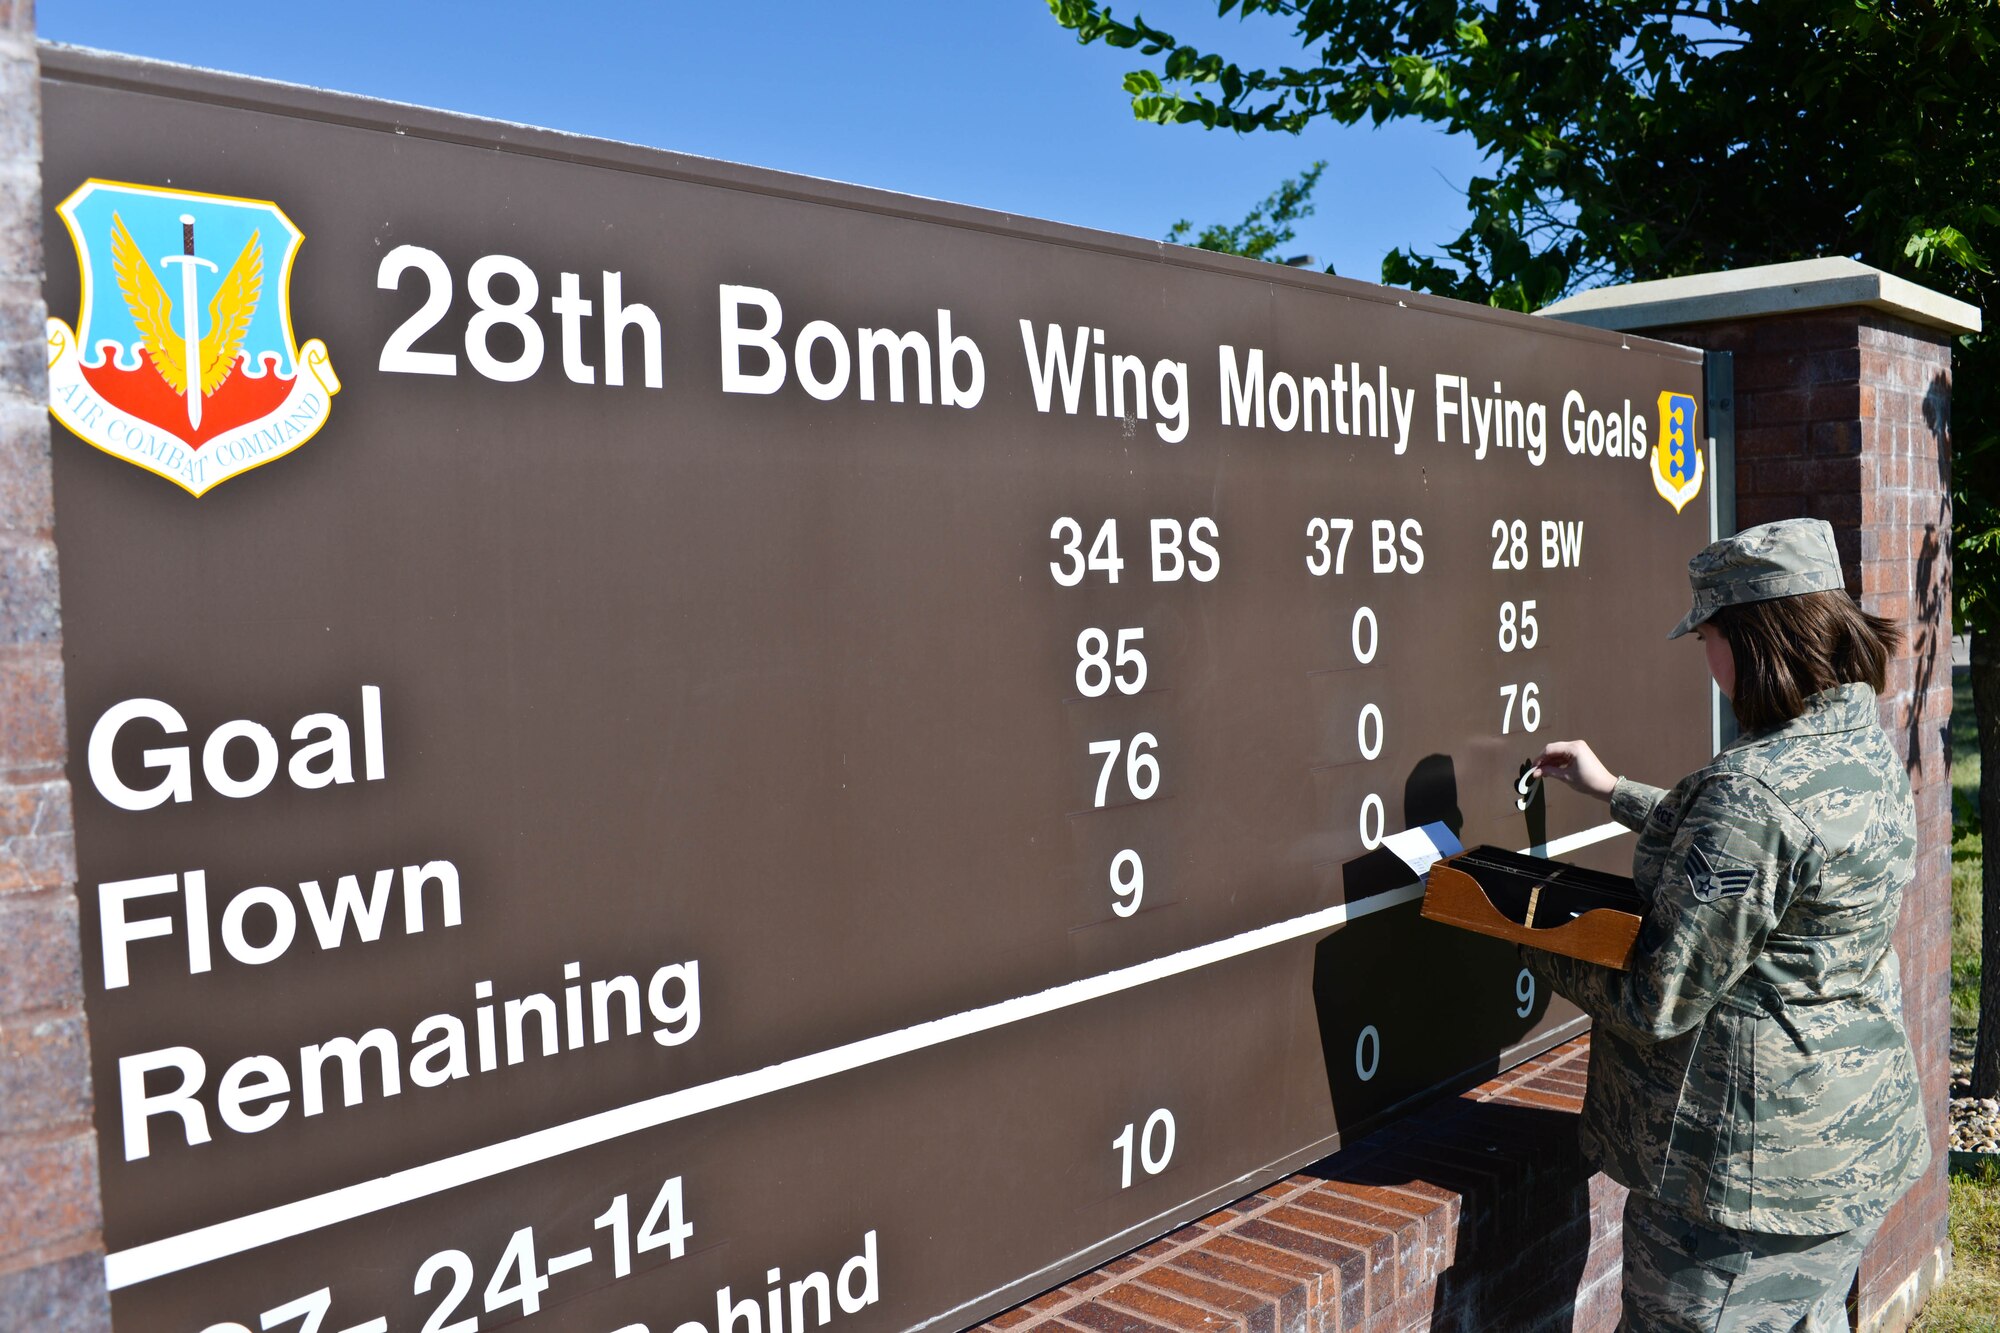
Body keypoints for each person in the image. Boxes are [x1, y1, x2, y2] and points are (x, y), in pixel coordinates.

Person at [1524, 517, 1930, 1332]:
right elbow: (1773, 851)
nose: (1709, 661)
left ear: (1756, 637)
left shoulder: (1756, 788)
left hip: (1742, 1194)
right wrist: (1615, 792)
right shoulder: (1860, 747)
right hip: (1844, 1158)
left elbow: (1657, 997)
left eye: (1710, 634)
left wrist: (1526, 928)